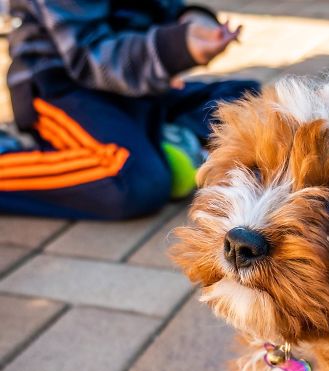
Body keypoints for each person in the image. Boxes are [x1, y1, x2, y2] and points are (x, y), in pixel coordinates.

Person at [0, 1, 260, 220]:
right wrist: (174, 49)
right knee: (134, 181)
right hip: (61, 89)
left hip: (135, 86)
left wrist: (191, 21)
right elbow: (90, 57)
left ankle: (160, 141)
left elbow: (165, 8)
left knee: (246, 102)